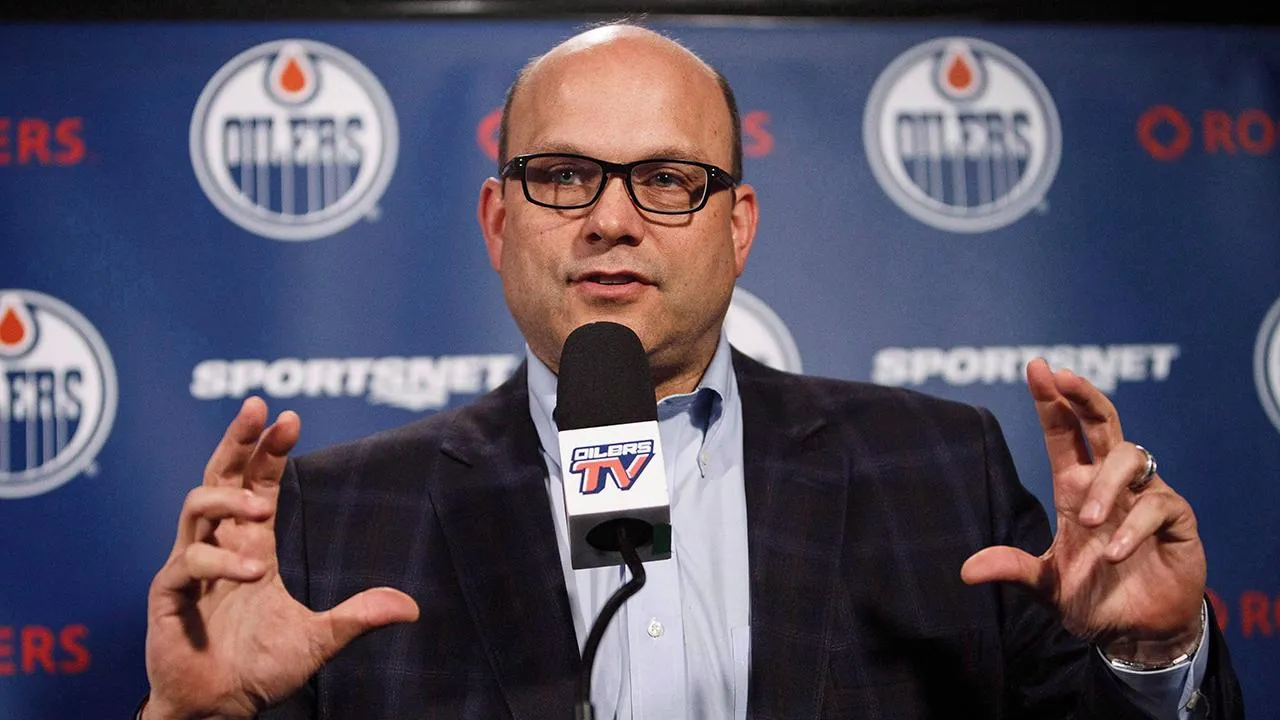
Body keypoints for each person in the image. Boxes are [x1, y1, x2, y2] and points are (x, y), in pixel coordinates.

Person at [140, 23, 1242, 720]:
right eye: (561, 174)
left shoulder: (938, 467)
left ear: (738, 226)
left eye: (667, 179)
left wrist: (1154, 657)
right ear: (497, 221)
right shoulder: (335, 516)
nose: (611, 219)